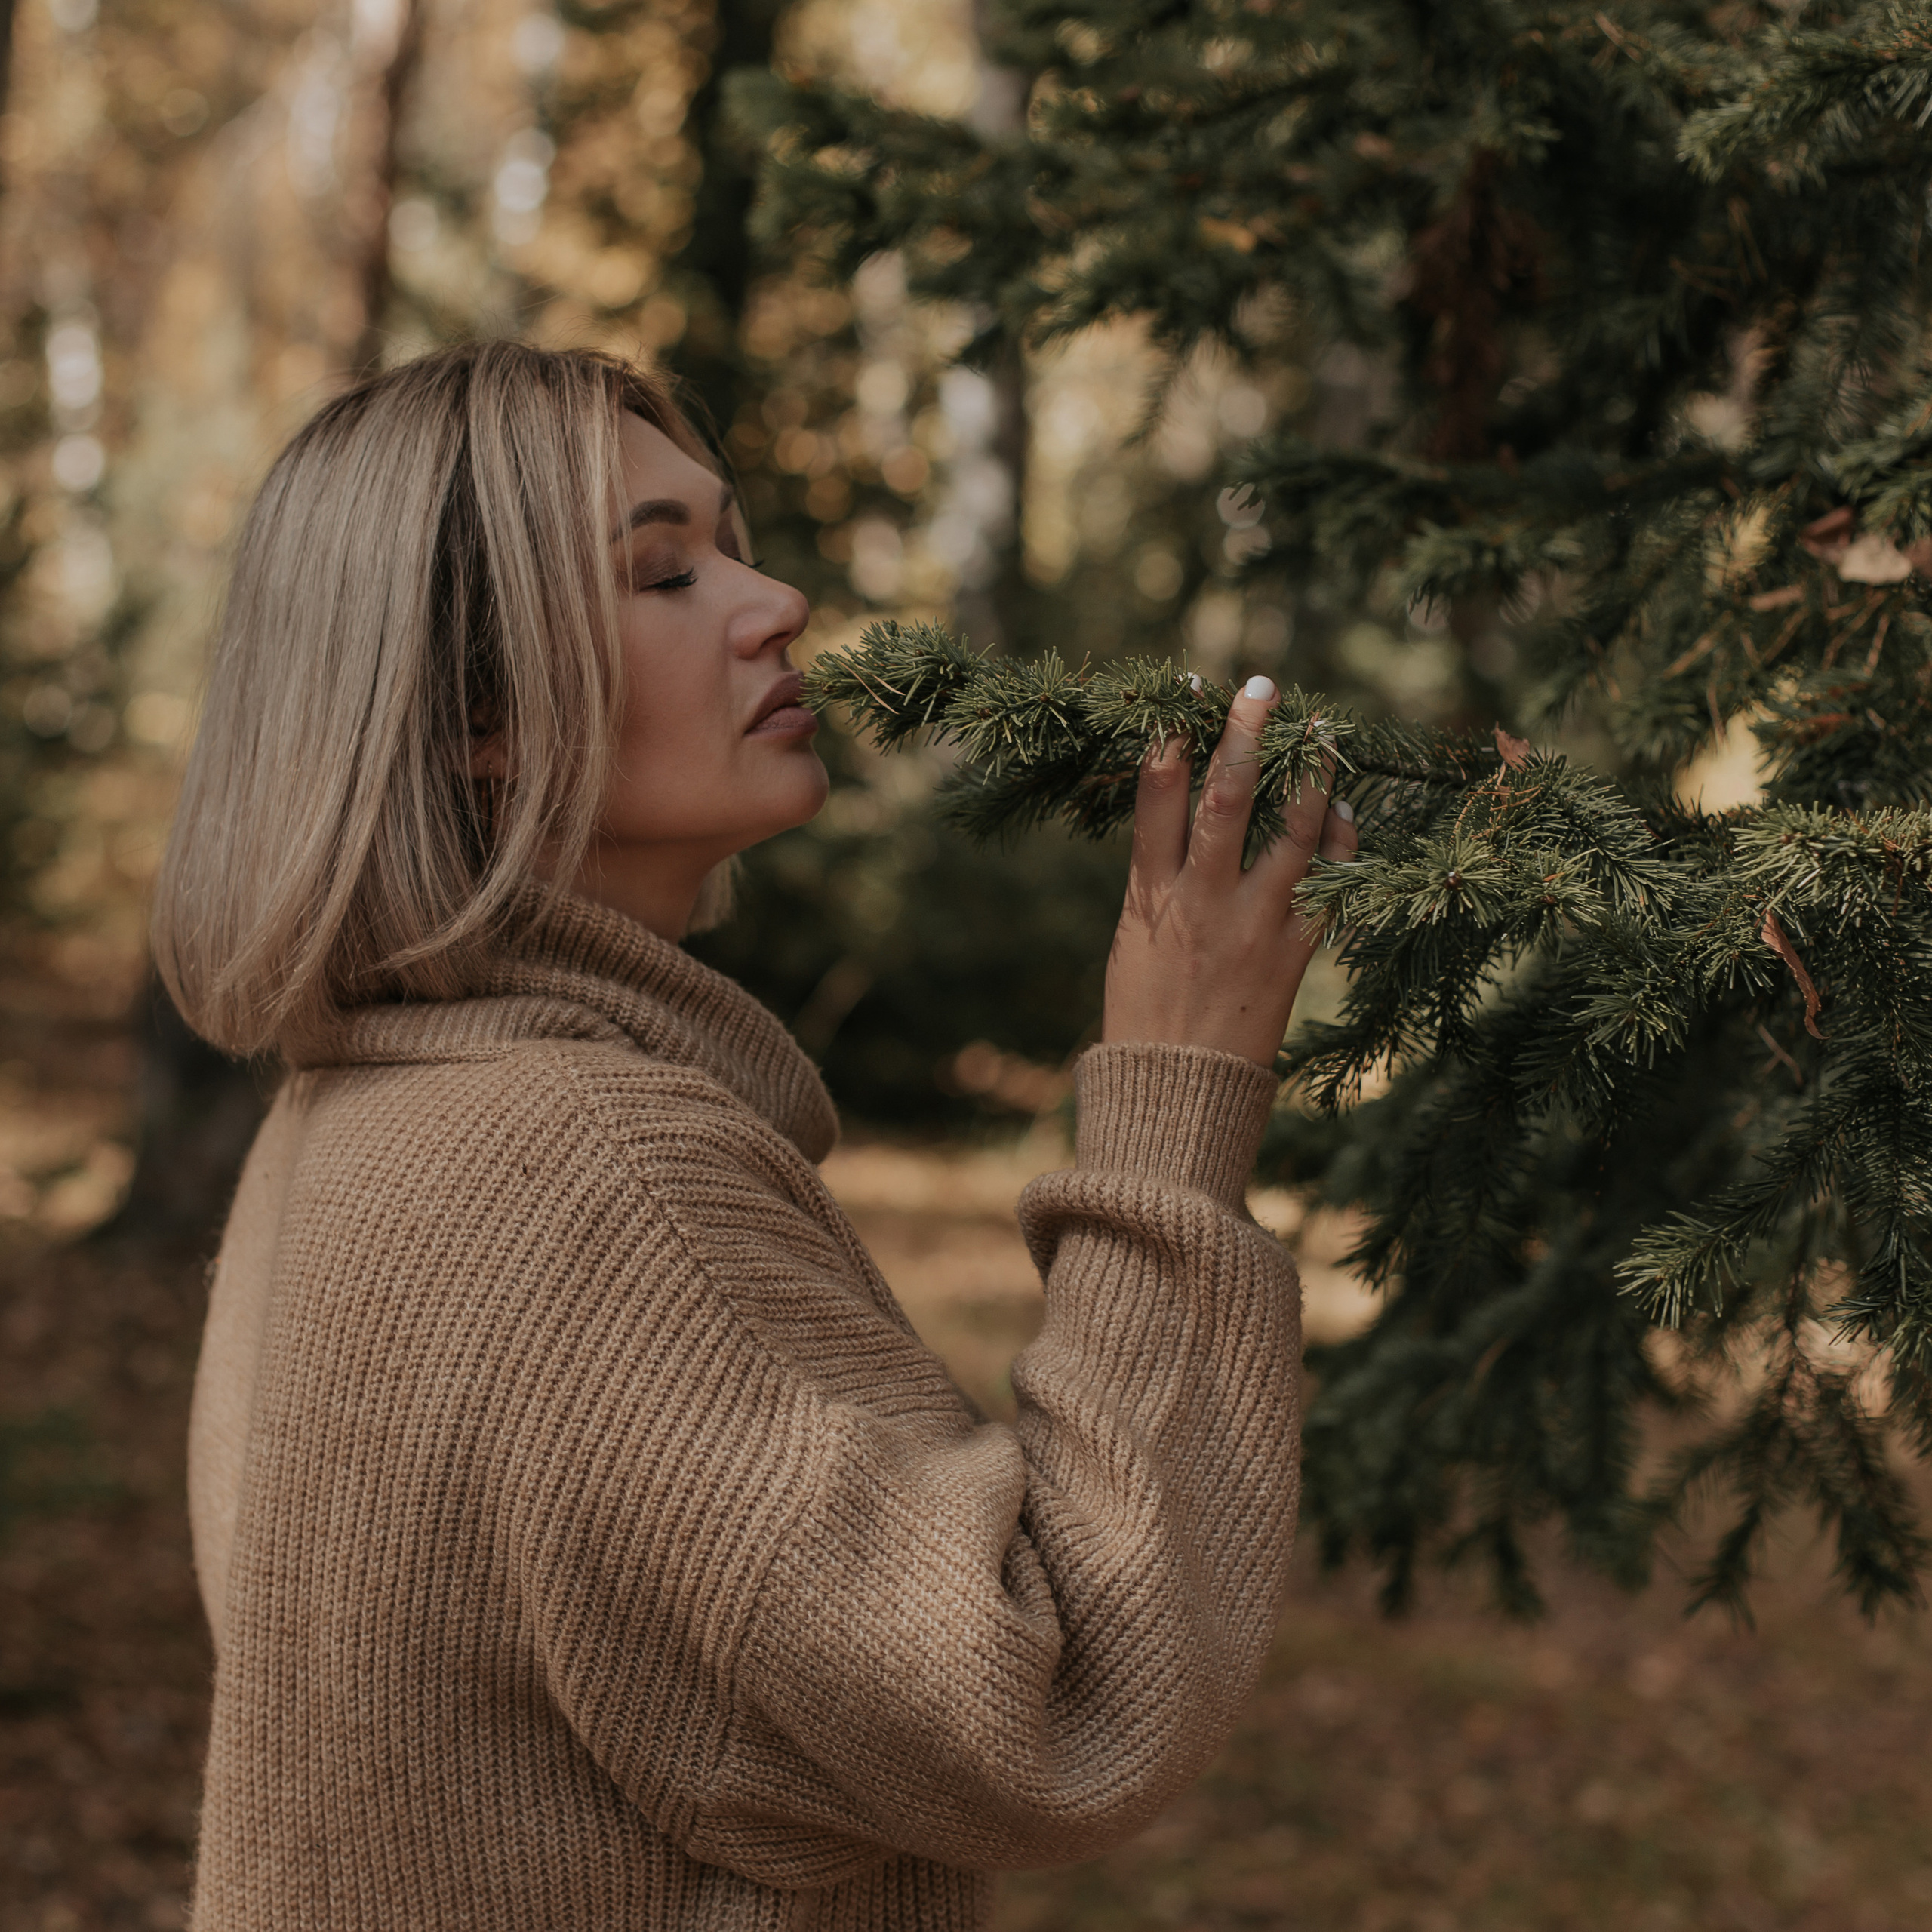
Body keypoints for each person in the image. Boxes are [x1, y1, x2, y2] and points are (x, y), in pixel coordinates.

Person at [152, 340, 1357, 1932]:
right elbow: (1050, 1697)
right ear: (476, 717)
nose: (770, 597)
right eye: (663, 572)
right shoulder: (573, 1166)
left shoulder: (360, 1112)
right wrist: (1171, 1098)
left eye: (726, 538)